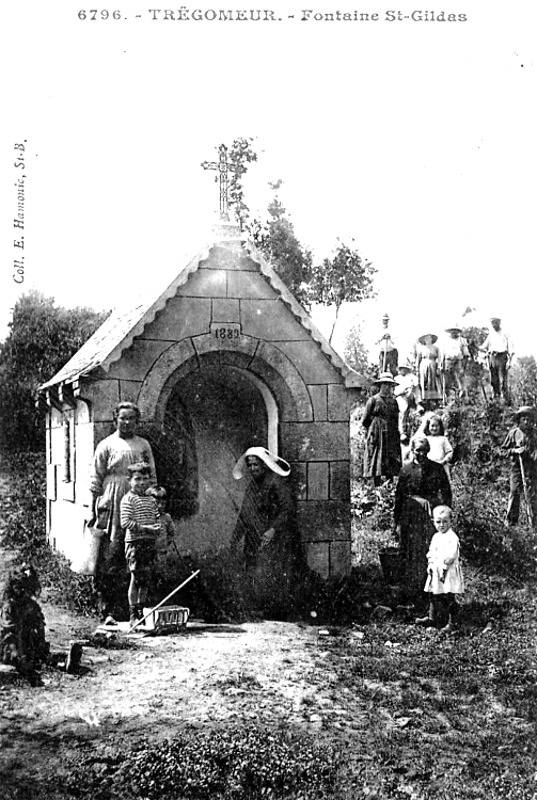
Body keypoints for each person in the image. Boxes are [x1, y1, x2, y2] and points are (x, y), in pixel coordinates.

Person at [87, 402, 157, 625]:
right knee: (111, 553)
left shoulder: (143, 445)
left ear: (137, 421)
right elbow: (95, 480)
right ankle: (107, 610)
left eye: (131, 419)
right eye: (122, 418)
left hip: (138, 501)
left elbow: (152, 478)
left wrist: (152, 507)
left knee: (137, 552)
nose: (127, 423)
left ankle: (134, 610)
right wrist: (92, 509)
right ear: (115, 419)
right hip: (112, 499)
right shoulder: (106, 445)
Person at [231, 447, 299, 617]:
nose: (253, 468)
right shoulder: (252, 486)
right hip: (256, 538)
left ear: (264, 464)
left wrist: (273, 530)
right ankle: (261, 609)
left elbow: (287, 509)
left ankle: (276, 612)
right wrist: (235, 539)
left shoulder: (277, 482)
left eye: (256, 465)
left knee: (273, 573)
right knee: (254, 572)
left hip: (276, 538)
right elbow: (245, 514)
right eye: (250, 465)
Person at [393, 436, 452, 598]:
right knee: (410, 549)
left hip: (430, 514)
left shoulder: (436, 469)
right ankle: (411, 589)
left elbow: (446, 492)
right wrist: (396, 522)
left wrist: (445, 514)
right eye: (418, 450)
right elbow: (399, 497)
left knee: (430, 549)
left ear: (428, 450)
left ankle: (431, 587)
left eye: (424, 450)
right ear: (412, 450)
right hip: (410, 514)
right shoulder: (406, 470)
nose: (421, 453)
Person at [120, 462, 161, 626]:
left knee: (145, 579)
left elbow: (156, 519)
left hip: (148, 542)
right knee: (135, 578)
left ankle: (141, 613)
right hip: (135, 543)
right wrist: (145, 528)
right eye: (137, 479)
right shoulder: (128, 499)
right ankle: (132, 615)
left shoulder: (151, 500)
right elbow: (125, 522)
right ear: (129, 480)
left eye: (145, 479)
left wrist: (157, 528)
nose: (142, 483)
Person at [415, 505, 464, 632]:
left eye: (445, 522)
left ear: (450, 521)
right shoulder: (436, 536)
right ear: (433, 521)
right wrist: (431, 564)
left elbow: (451, 555)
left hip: (448, 571)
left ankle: (452, 622)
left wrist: (444, 568)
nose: (441, 525)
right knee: (433, 594)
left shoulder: (452, 537)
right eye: (438, 522)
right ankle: (432, 617)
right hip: (436, 571)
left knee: (448, 596)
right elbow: (431, 552)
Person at [362, 372, 401, 486]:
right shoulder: (373, 400)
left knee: (390, 458)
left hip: (391, 432)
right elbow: (365, 420)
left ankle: (389, 487)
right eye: (385, 384)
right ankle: (375, 486)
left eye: (390, 385)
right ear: (380, 386)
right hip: (376, 433)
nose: (387, 387)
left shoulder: (394, 402)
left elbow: (396, 418)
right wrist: (374, 429)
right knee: (376, 457)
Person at [501, 406, 537, 529]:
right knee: (514, 492)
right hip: (517, 468)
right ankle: (511, 523)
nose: (526, 422)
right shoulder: (513, 433)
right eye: (524, 419)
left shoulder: (535, 434)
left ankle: (533, 524)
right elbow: (502, 451)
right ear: (519, 420)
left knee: (532, 495)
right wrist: (515, 451)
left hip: (532, 469)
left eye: (529, 420)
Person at [480, 316, 513, 402]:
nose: (494, 325)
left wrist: (510, 361)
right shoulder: (491, 335)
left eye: (496, 323)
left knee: (503, 379)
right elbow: (483, 347)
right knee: (494, 379)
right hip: (492, 357)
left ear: (499, 323)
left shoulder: (505, 333)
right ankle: (496, 397)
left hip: (502, 356)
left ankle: (504, 399)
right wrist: (474, 346)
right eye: (493, 323)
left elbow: (511, 348)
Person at [441, 325, 470, 401]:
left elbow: (466, 355)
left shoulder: (462, 340)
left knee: (461, 380)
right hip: (448, 361)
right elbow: (442, 354)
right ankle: (448, 400)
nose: (453, 332)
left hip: (458, 361)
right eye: (452, 330)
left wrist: (464, 366)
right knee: (447, 381)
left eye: (455, 330)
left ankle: (463, 399)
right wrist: (441, 365)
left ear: (458, 331)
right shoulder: (445, 341)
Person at [394, 360, 419, 446]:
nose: (403, 370)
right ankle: (402, 432)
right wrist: (403, 391)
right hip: (401, 397)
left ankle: (418, 404)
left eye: (405, 369)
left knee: (414, 390)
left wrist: (411, 386)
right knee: (403, 410)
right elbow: (395, 392)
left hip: (410, 395)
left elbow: (416, 382)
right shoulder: (396, 379)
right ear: (399, 370)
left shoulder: (410, 376)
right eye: (402, 369)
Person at [415, 333, 442, 410]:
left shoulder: (436, 348)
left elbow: (439, 359)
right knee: (424, 382)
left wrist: (439, 368)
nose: (428, 340)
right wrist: (417, 369)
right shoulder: (421, 348)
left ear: (432, 339)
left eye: (429, 338)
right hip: (423, 365)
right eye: (426, 339)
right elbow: (418, 359)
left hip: (433, 364)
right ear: (424, 340)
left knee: (432, 382)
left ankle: (434, 400)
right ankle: (424, 399)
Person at [423, 414, 454, 482]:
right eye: (432, 426)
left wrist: (445, 460)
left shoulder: (443, 439)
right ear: (428, 426)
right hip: (429, 467)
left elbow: (449, 451)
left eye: (437, 426)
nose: (434, 428)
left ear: (440, 426)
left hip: (441, 465)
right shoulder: (425, 439)